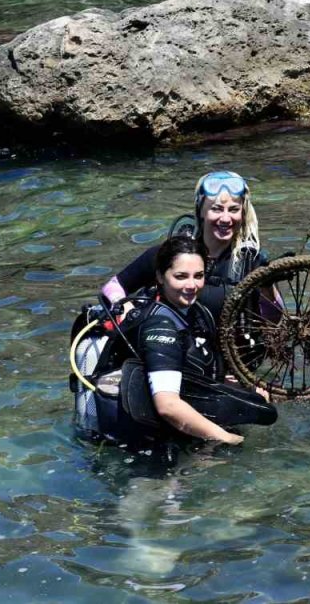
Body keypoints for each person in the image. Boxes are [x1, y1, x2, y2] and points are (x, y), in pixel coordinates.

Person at [84, 235, 265, 450]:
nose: (191, 285)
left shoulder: (197, 313)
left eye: (198, 276)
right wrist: (227, 438)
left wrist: (246, 389)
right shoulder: (160, 327)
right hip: (149, 447)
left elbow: (199, 374)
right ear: (160, 277)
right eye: (180, 276)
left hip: (184, 425)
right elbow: (168, 406)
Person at [103, 170, 268, 317]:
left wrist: (269, 288)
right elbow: (113, 287)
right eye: (216, 209)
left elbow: (274, 319)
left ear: (243, 213)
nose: (225, 218)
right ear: (200, 211)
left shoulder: (252, 263)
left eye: (233, 210)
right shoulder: (170, 255)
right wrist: (125, 309)